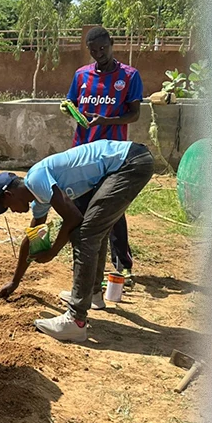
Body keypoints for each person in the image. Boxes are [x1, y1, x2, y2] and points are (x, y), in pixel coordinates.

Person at [0, 140, 154, 343]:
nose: (12, 211)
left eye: (8, 206)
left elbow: (73, 218)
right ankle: (92, 293)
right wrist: (15, 282)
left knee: (85, 235)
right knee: (92, 229)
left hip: (128, 163)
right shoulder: (39, 199)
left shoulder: (36, 179)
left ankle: (75, 321)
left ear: (9, 194)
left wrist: (51, 253)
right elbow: (32, 236)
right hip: (125, 162)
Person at [67, 26, 145, 285]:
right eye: (94, 50)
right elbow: (72, 104)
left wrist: (107, 120)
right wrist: (70, 110)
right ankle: (83, 264)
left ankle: (122, 265)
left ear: (112, 45)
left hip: (113, 154)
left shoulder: (129, 76)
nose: (99, 54)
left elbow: (134, 114)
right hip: (82, 151)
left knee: (111, 209)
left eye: (103, 48)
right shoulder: (81, 76)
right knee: (80, 205)